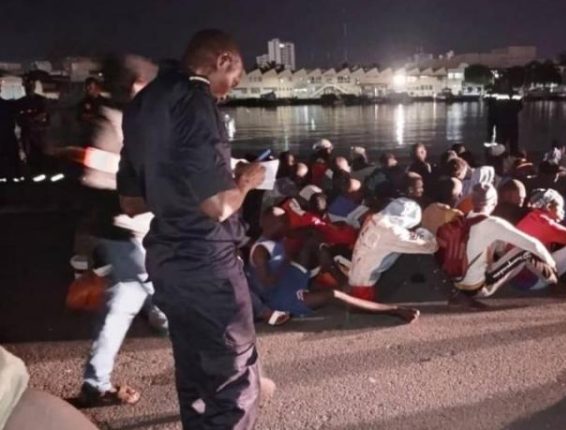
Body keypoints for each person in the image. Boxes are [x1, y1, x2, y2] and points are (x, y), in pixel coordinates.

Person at [117, 30, 266, 429]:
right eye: (234, 78)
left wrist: (188, 188)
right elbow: (218, 206)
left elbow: (131, 202)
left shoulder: (142, 104)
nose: (230, 89)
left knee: (195, 372)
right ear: (223, 61)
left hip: (166, 261)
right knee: (233, 381)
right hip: (207, 263)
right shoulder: (196, 100)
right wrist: (246, 181)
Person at [76, 55, 168, 407]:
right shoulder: (110, 121)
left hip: (131, 231)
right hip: (124, 232)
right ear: (135, 85)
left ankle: (95, 383)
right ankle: (221, 371)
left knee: (126, 304)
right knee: (167, 300)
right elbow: (98, 177)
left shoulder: (128, 120)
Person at [247, 207, 419, 323]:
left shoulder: (277, 235)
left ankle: (340, 280)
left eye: (286, 220)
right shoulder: (260, 250)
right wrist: (287, 260)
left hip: (289, 277)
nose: (287, 224)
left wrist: (318, 238)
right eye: (283, 221)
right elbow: (267, 284)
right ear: (271, 224)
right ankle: (393, 310)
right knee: (332, 295)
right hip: (280, 297)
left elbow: (306, 234)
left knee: (313, 241)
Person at [450, 183, 557, 298]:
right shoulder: (494, 223)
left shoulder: (462, 219)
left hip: (456, 283)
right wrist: (552, 264)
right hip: (477, 288)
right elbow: (534, 244)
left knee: (496, 241)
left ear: (472, 200)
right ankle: (554, 282)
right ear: (495, 202)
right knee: (525, 252)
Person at [348, 198, 438, 301]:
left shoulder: (374, 219)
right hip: (365, 284)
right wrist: (422, 232)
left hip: (358, 274)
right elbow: (430, 247)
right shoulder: (393, 232)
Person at [15, 76, 50, 173]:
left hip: (39, 133)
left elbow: (44, 115)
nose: (29, 87)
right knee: (28, 154)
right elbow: (18, 118)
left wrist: (33, 119)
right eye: (28, 84)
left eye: (31, 84)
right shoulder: (20, 102)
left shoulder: (41, 100)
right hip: (26, 132)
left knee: (40, 154)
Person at [486, 77, 523, 154]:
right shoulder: (515, 94)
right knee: (512, 144)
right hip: (511, 122)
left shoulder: (493, 94)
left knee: (502, 144)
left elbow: (490, 107)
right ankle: (512, 155)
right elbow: (520, 107)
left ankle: (501, 155)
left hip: (501, 123)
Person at [0, 97, 21, 178]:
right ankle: (15, 174)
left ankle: (14, 174)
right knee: (12, 155)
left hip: (7, 133)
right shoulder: (8, 105)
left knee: (11, 155)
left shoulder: (7, 105)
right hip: (8, 133)